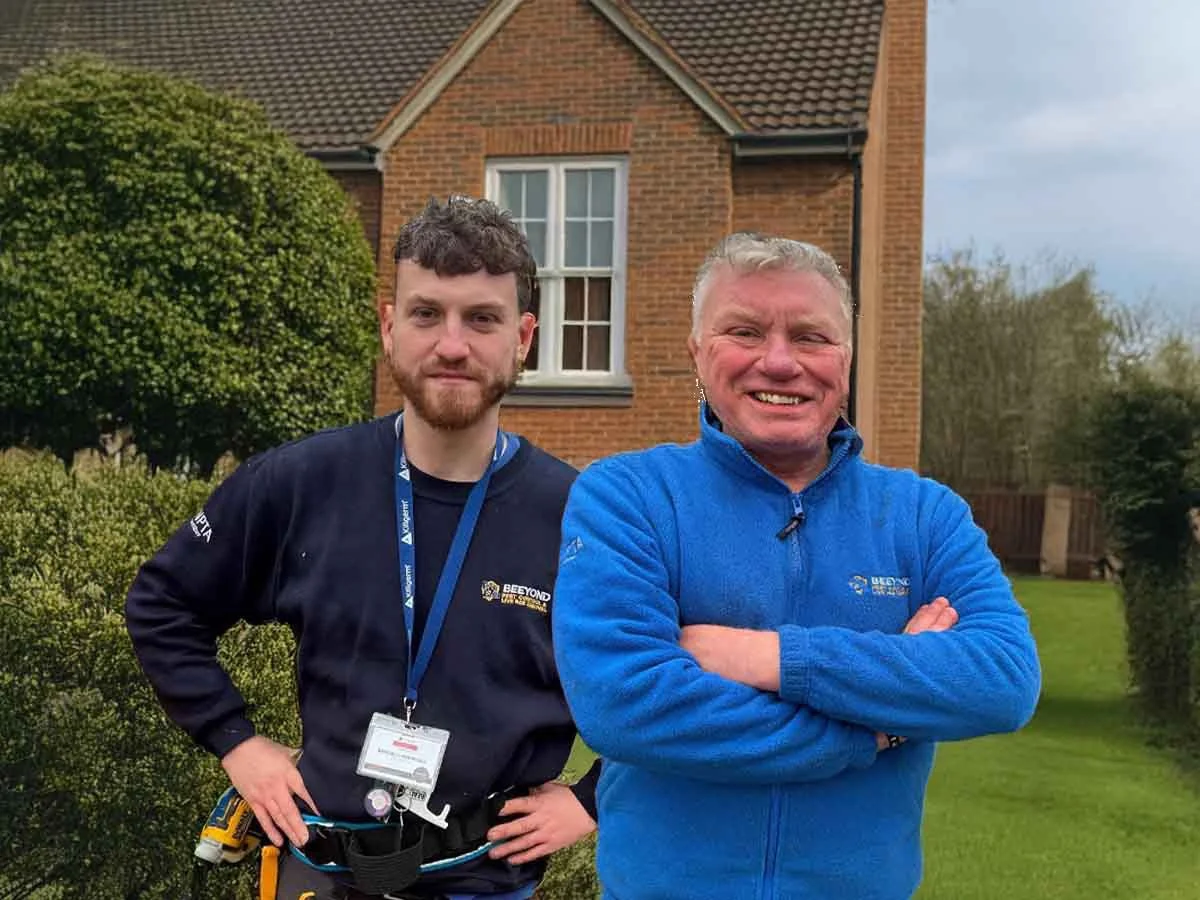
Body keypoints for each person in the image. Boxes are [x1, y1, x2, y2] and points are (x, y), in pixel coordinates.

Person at [126, 197, 598, 900]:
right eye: (426, 313)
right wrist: (238, 742)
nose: (452, 344)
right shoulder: (298, 482)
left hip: (480, 882)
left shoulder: (580, 515)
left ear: (524, 337)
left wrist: (592, 798)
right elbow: (163, 606)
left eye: (483, 318)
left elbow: (670, 675)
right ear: (388, 327)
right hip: (316, 869)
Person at [551, 232, 1041, 899]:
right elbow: (626, 705)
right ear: (698, 352)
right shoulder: (629, 496)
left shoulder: (925, 516)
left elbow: (1004, 679)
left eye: (811, 337)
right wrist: (879, 724)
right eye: (744, 331)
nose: (780, 363)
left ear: (846, 357)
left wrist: (771, 659)